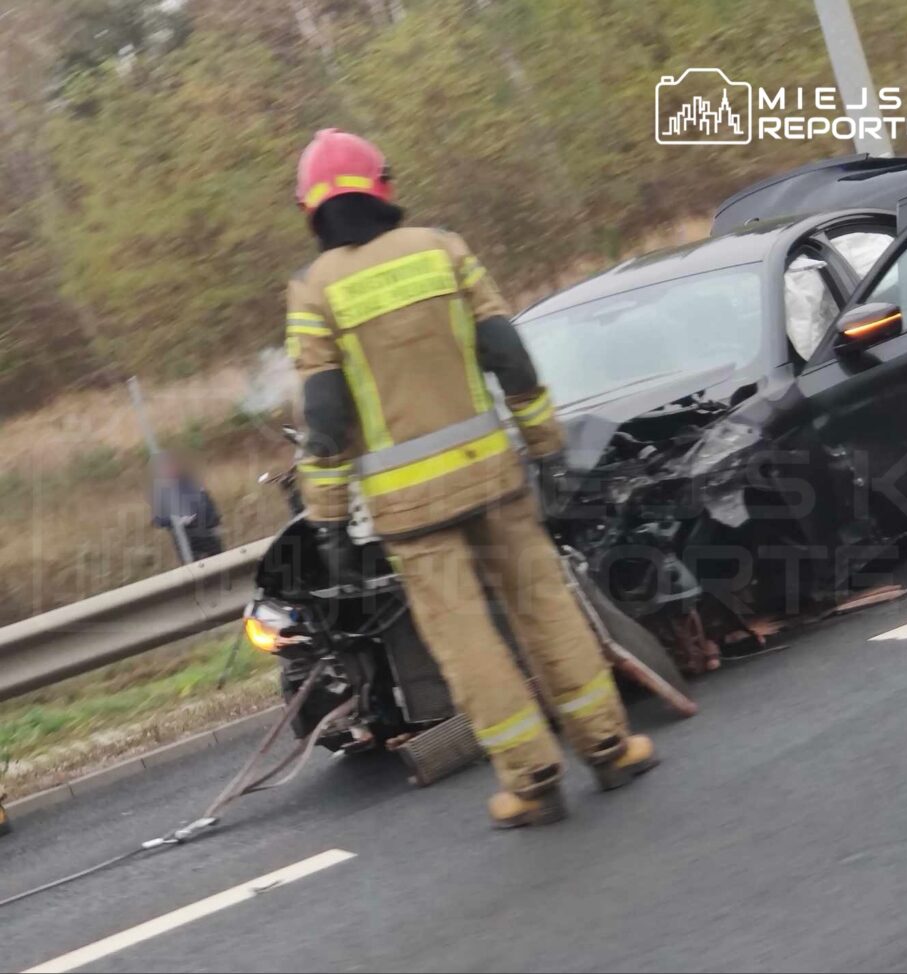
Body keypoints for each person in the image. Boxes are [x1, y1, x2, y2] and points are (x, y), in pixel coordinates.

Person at [286, 130, 658, 828]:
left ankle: (532, 779)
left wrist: (329, 517)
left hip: (410, 510)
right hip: (494, 477)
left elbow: (325, 415)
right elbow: (507, 355)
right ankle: (610, 748)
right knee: (546, 609)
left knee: (467, 642)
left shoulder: (314, 293)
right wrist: (546, 446)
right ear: (382, 186)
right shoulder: (443, 250)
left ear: (311, 210)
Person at [150, 451, 224, 563]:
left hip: (206, 533)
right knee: (193, 571)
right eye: (163, 468)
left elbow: (206, 502)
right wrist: (176, 519)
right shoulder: (160, 492)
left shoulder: (190, 481)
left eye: (170, 465)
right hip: (184, 538)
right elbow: (158, 519)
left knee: (219, 565)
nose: (168, 469)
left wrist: (215, 521)